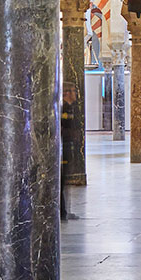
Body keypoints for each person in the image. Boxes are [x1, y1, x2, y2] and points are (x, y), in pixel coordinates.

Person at [59, 84, 83, 219]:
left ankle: (64, 211)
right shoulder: (63, 108)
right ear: (66, 93)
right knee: (61, 181)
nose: (75, 94)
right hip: (64, 147)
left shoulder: (70, 108)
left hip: (68, 146)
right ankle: (61, 212)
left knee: (64, 182)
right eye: (73, 91)